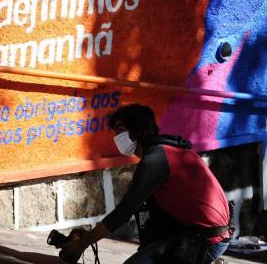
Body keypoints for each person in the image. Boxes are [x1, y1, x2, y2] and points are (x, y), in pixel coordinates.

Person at [60, 104, 232, 264]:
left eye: (120, 130)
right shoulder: (167, 151)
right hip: (199, 233)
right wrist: (87, 237)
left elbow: (123, 213)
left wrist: (84, 242)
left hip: (205, 241)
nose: (116, 138)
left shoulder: (156, 159)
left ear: (137, 130)